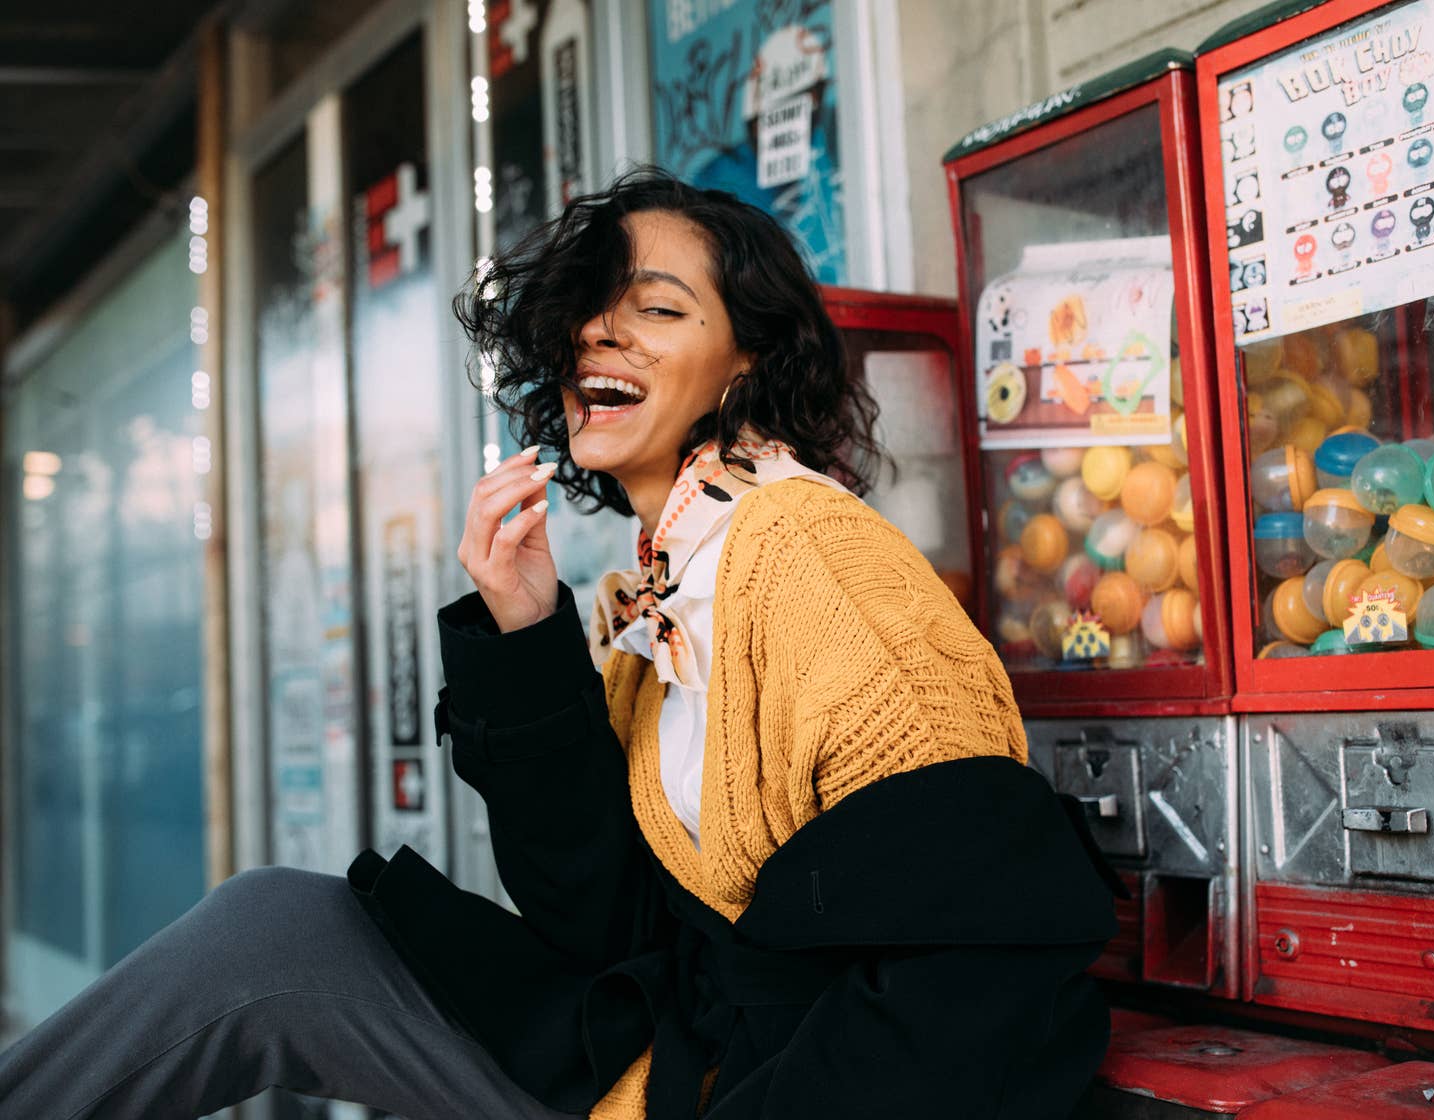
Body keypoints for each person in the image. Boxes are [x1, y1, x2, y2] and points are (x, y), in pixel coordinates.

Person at [0, 168, 1118, 1120]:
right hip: (664, 1063)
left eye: (659, 309)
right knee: (278, 929)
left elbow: (981, 958)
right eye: (588, 313)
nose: (600, 333)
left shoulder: (812, 551)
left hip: (775, 1092)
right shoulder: (654, 597)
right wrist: (526, 632)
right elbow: (605, 925)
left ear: (747, 361)